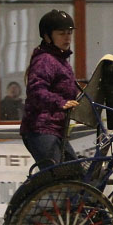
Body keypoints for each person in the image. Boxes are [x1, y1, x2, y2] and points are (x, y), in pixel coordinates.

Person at [19, 10, 79, 170]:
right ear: (47, 37)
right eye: (61, 33)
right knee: (57, 177)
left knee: (76, 174)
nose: (67, 38)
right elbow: (36, 91)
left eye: (69, 33)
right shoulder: (45, 60)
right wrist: (60, 103)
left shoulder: (60, 61)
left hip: (55, 128)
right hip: (40, 129)